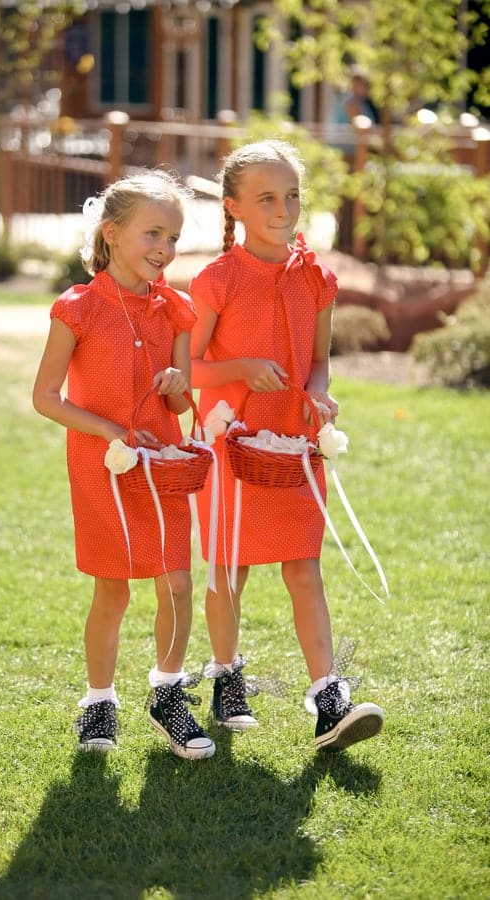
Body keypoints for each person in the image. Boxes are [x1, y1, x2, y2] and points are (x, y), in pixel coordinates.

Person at [189, 140, 384, 750]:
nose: (283, 208)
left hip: (295, 444)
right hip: (231, 443)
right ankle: (226, 680)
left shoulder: (318, 278)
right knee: (231, 567)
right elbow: (188, 368)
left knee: (304, 567)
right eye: (267, 198)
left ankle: (328, 697)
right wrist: (243, 367)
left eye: (292, 195)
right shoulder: (215, 280)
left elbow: (319, 362)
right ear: (234, 208)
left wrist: (319, 396)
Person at [33, 170, 215, 760]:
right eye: (153, 234)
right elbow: (46, 397)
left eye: (173, 238)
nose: (164, 250)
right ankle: (99, 699)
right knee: (112, 591)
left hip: (162, 466)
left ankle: (167, 694)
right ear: (111, 234)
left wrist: (178, 386)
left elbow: (185, 404)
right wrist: (107, 428)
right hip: (102, 469)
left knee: (178, 584)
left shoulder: (178, 311)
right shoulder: (77, 308)